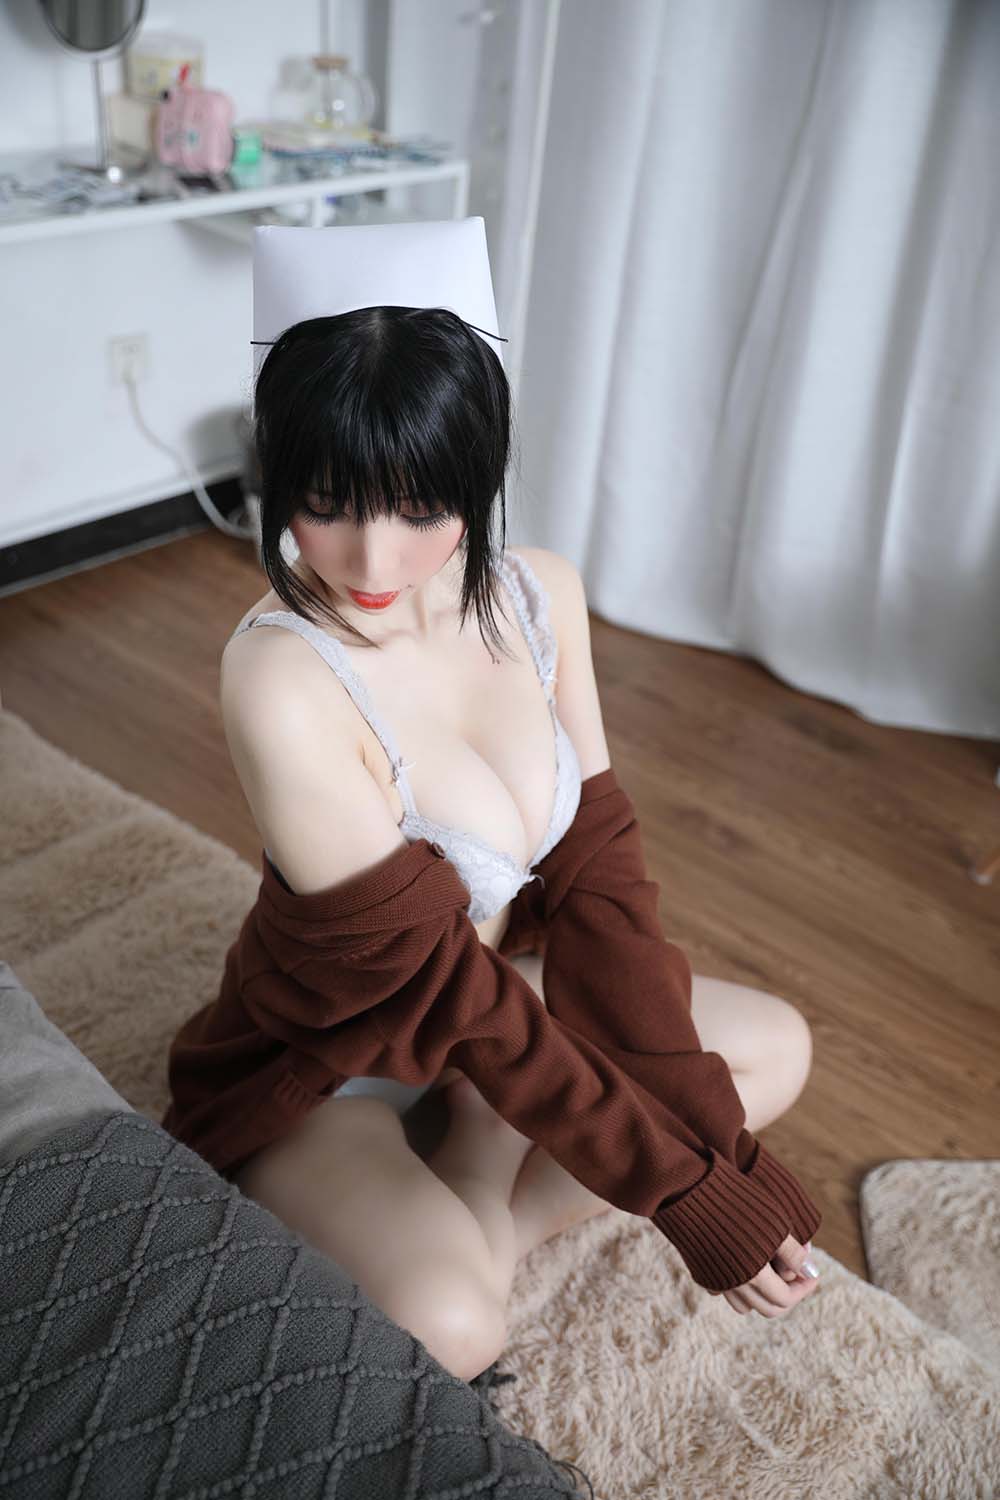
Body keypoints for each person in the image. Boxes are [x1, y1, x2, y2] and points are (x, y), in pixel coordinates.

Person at [165, 222, 821, 1383]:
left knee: (774, 1050)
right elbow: (442, 994)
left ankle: (486, 1173)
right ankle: (481, 1164)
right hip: (341, 1056)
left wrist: (718, 1158)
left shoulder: (536, 597)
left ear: (475, 474)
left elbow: (601, 886)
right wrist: (676, 1188)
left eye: (419, 506)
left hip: (506, 1001)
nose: (371, 560)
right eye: (326, 500)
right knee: (456, 1328)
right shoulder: (279, 679)